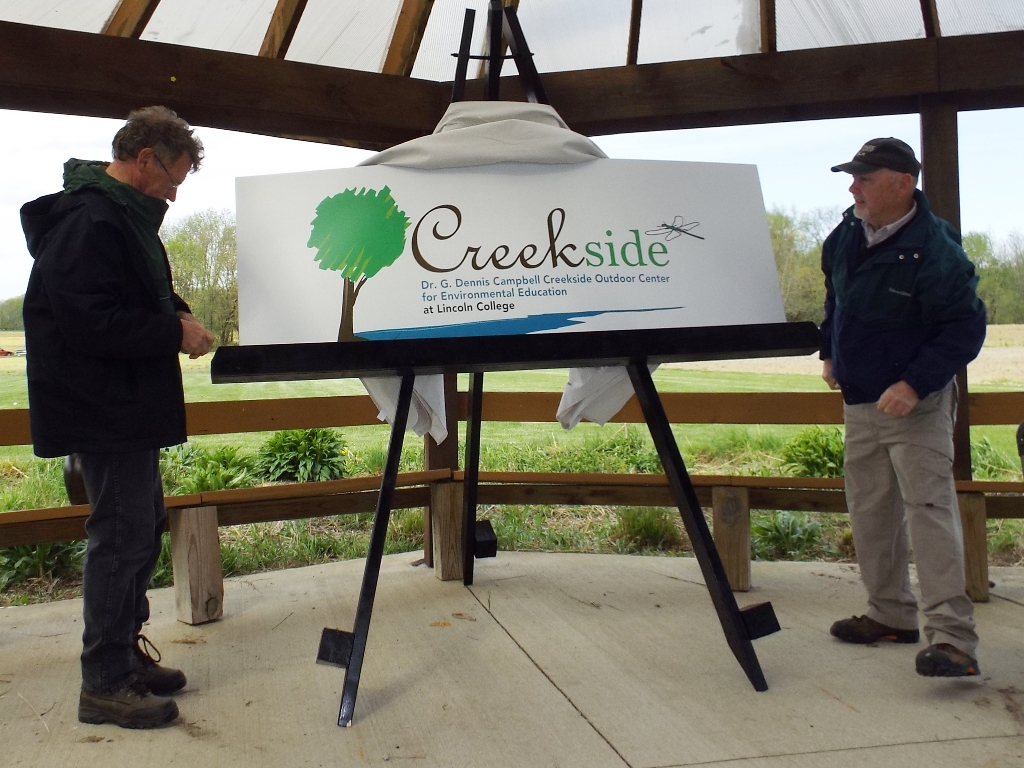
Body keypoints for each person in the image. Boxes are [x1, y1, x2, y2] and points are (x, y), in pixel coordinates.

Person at [20, 106, 216, 728]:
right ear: (144, 159)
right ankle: (104, 682)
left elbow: (134, 294)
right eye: (173, 179)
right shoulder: (89, 220)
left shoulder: (121, 217)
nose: (175, 194)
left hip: (123, 406)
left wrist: (175, 311)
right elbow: (90, 322)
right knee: (120, 535)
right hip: (102, 408)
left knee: (141, 527)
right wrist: (172, 333)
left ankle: (124, 655)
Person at [820, 137, 986, 677]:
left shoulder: (935, 249)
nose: (853, 188)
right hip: (860, 401)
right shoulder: (846, 233)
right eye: (852, 178)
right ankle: (889, 614)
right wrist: (829, 352)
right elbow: (836, 295)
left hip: (915, 407)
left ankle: (954, 641)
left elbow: (965, 327)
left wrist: (914, 384)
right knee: (871, 513)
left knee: (930, 514)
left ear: (902, 183)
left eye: (865, 178)